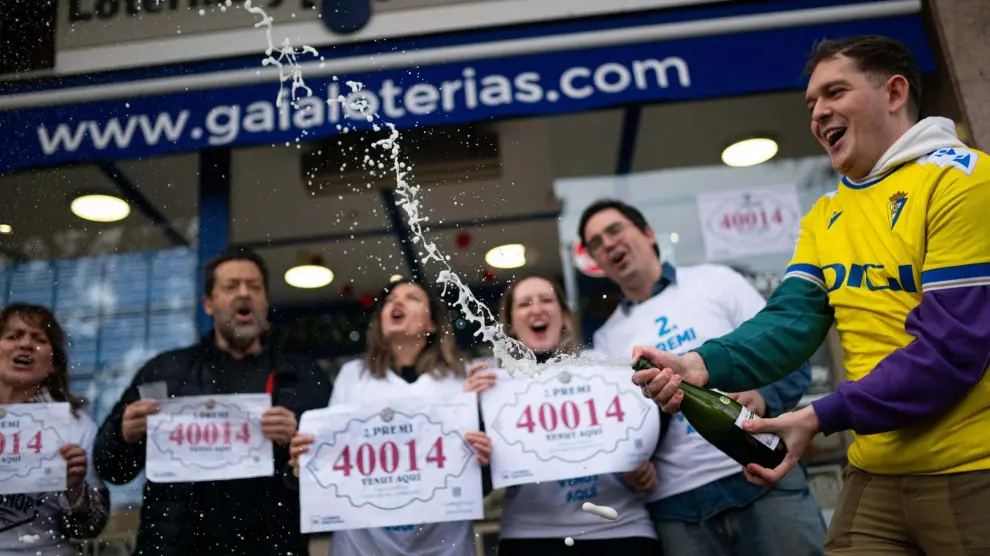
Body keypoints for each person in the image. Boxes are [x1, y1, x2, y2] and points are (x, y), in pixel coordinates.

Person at [634, 34, 990, 556]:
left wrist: (819, 415)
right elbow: (790, 320)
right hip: (873, 472)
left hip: (971, 469)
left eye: (835, 92)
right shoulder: (825, 214)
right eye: (811, 104)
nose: (819, 112)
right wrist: (698, 364)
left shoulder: (965, 182)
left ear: (894, 93)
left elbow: (949, 350)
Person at [578, 199, 825, 556]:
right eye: (596, 243)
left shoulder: (716, 281)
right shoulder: (605, 341)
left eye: (614, 230)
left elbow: (789, 352)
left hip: (763, 476)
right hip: (678, 509)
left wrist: (764, 396)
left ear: (648, 233)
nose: (608, 244)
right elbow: (618, 429)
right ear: (596, 263)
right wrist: (627, 470)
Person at [93, 247, 332, 556]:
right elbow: (112, 469)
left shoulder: (302, 376)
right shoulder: (165, 372)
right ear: (208, 303)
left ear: (265, 300)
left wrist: (297, 441)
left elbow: (332, 474)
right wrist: (124, 434)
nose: (244, 294)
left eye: (254, 286)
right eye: (231, 287)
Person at [289, 278, 492, 556]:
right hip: (363, 544)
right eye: (389, 300)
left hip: (442, 541)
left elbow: (479, 475)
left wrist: (482, 455)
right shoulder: (352, 377)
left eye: (412, 298)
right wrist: (306, 458)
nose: (397, 302)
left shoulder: (463, 378)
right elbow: (333, 459)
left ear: (432, 324)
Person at [464, 274, 660, 556]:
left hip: (621, 529)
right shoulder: (493, 386)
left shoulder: (607, 369)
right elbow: (476, 483)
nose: (536, 309)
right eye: (524, 304)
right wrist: (468, 410)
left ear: (565, 315)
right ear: (510, 325)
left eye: (546, 300)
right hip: (532, 537)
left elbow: (645, 437)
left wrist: (642, 470)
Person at [0, 303, 110, 555]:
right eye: (14, 336)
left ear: (53, 364)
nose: (26, 344)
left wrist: (75, 489)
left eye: (39, 339)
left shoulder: (75, 425)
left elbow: (90, 528)